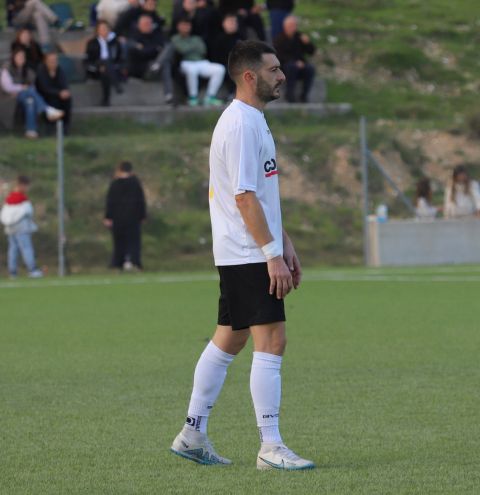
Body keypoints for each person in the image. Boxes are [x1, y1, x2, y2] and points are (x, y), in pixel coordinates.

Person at [170, 40, 315, 470]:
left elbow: (261, 195)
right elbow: (244, 198)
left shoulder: (254, 120)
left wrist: (284, 243)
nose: (282, 75)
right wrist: (271, 254)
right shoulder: (239, 124)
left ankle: (192, 434)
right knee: (272, 340)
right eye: (273, 70)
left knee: (229, 338)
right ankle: (270, 447)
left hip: (248, 249)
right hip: (248, 251)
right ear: (249, 77)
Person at [1, 48, 64, 138]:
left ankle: (30, 131)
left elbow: (33, 87)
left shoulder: (28, 70)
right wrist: (22, 88)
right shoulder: (7, 69)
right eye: (19, 56)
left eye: (23, 57)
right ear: (13, 57)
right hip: (9, 97)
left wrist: (23, 89)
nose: (21, 59)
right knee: (29, 91)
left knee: (30, 101)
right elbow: (8, 87)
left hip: (24, 95)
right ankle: (47, 110)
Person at [171, 16, 225, 106]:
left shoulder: (196, 38)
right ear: (178, 26)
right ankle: (193, 97)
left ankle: (210, 97)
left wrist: (188, 47)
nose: (185, 27)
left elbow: (203, 50)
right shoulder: (175, 38)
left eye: (187, 25)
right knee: (192, 70)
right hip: (186, 62)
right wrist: (193, 47)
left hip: (201, 62)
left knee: (220, 69)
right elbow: (182, 50)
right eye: (183, 25)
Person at [104, 161, 147, 271]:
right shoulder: (135, 183)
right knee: (134, 241)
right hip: (133, 217)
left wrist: (108, 217)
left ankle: (118, 264)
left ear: (119, 170)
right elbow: (140, 201)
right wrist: (142, 215)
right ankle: (135, 262)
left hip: (117, 218)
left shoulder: (115, 184)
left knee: (119, 242)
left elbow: (110, 202)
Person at [0, 175, 43, 279]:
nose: (27, 189)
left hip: (10, 228)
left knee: (13, 249)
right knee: (26, 247)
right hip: (21, 227)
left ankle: (12, 272)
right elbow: (28, 212)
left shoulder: (9, 198)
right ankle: (32, 269)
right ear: (22, 185)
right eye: (27, 186)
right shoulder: (22, 198)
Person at [127, 14, 174, 102]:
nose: (148, 26)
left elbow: (162, 47)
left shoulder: (156, 35)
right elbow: (143, 53)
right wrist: (156, 49)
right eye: (145, 24)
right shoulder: (134, 37)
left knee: (169, 50)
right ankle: (168, 93)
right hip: (143, 71)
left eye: (150, 24)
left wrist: (149, 49)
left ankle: (168, 95)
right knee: (164, 63)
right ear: (139, 25)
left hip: (155, 67)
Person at [274, 15, 315, 103]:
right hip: (285, 67)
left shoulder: (299, 37)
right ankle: (289, 94)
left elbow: (311, 52)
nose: (293, 28)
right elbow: (279, 56)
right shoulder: (279, 39)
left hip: (300, 65)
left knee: (310, 68)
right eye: (290, 26)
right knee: (291, 67)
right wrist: (295, 62)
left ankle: (304, 95)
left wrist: (308, 43)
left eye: (294, 25)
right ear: (285, 27)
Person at [85, 20, 125, 106]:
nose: (104, 31)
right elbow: (89, 60)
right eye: (101, 29)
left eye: (105, 29)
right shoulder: (92, 43)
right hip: (96, 68)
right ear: (97, 31)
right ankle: (116, 85)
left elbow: (119, 58)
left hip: (110, 68)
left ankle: (105, 100)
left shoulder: (115, 43)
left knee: (105, 70)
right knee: (104, 61)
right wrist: (98, 66)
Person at [35, 51, 72, 133]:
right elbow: (44, 88)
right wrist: (59, 93)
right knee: (53, 100)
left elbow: (64, 83)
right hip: (45, 96)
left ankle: (65, 127)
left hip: (58, 95)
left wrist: (65, 91)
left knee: (67, 99)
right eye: (51, 60)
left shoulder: (60, 70)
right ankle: (50, 128)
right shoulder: (41, 71)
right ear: (46, 61)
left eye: (55, 60)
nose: (53, 62)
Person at [211, 13, 245, 98]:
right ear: (224, 24)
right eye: (230, 22)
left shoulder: (241, 37)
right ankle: (232, 93)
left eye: (234, 22)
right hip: (225, 64)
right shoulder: (219, 38)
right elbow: (216, 56)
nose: (233, 24)